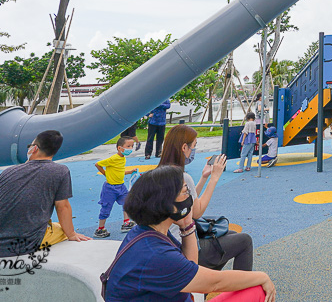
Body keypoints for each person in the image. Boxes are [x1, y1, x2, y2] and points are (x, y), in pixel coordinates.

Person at [105, 165, 274, 302]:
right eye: (185, 192)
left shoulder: (147, 232)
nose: (190, 197)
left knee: (251, 286)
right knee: (258, 290)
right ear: (167, 204)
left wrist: (187, 225)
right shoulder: (155, 253)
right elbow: (213, 283)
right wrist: (263, 276)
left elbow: (191, 265)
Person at [0, 130, 90, 256]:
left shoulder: (9, 171)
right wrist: (71, 234)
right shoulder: (60, 171)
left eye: (29, 146)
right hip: (26, 245)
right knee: (62, 228)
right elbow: (62, 206)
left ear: (34, 149)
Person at [159, 125, 255, 271]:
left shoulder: (160, 173)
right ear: (184, 148)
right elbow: (197, 212)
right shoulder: (182, 177)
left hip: (165, 244)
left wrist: (204, 177)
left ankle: (204, 285)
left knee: (231, 235)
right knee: (244, 241)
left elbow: (188, 201)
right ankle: (237, 289)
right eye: (194, 146)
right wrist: (214, 178)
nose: (194, 152)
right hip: (182, 247)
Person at [94, 136, 137, 238]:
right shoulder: (113, 159)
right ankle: (100, 229)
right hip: (110, 188)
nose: (130, 148)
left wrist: (130, 172)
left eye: (132, 146)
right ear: (119, 148)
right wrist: (105, 174)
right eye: (128, 146)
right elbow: (98, 164)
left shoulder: (123, 159)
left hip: (121, 186)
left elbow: (119, 172)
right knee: (106, 207)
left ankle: (126, 223)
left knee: (127, 202)